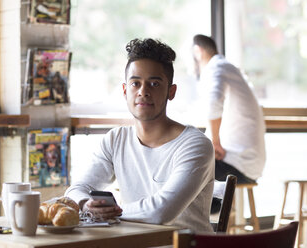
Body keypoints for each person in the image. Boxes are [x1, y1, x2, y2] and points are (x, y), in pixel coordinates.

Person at [65, 38, 215, 232]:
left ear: (171, 91)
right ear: (125, 90)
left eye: (154, 84)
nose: (143, 92)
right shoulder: (115, 140)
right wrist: (85, 204)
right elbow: (75, 190)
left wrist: (110, 211)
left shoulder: (195, 145)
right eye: (135, 83)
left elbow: (161, 211)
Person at [192, 34, 266, 211]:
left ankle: (206, 222)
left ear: (198, 52)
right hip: (249, 165)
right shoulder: (230, 69)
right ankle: (213, 216)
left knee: (186, 169)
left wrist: (215, 142)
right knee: (192, 169)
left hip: (238, 166)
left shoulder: (216, 67)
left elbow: (213, 103)